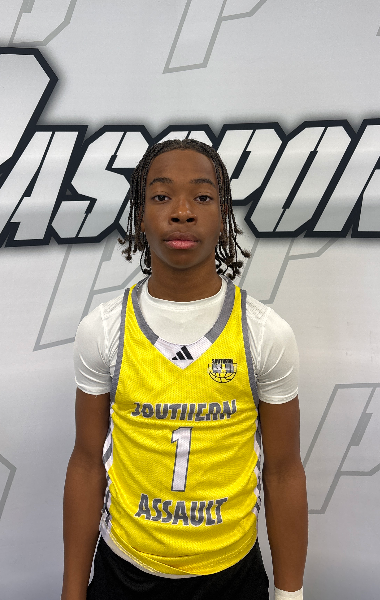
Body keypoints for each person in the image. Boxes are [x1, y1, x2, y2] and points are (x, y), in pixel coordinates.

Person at [61, 139, 308, 600]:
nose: (182, 212)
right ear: (140, 216)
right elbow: (87, 463)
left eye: (202, 196)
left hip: (231, 574)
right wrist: (73, 592)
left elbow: (283, 472)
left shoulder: (264, 332)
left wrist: (290, 595)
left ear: (223, 214)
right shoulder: (104, 328)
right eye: (161, 196)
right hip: (126, 571)